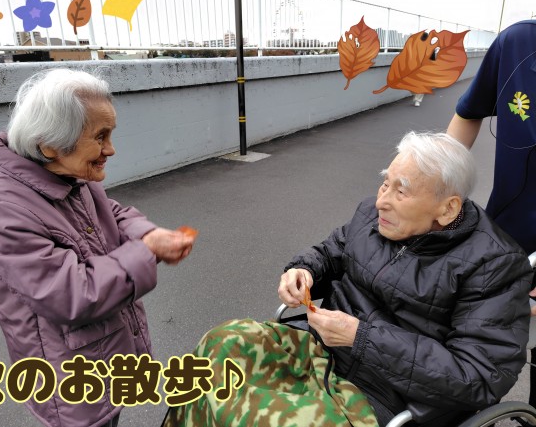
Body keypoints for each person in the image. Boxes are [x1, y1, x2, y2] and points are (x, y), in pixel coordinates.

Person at [163, 131, 532, 427]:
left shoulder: (494, 266)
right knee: (221, 346)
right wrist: (303, 271)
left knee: (256, 416)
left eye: (400, 191)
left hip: (384, 396)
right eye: (385, 183)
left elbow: (479, 376)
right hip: (320, 349)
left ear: (448, 208)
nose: (381, 201)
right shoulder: (373, 216)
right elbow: (331, 252)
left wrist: (362, 338)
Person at [0, 68, 195, 427]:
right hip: (68, 374)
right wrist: (146, 250)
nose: (110, 149)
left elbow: (109, 213)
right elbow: (70, 294)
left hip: (101, 352)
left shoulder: (63, 172)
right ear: (49, 145)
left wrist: (148, 234)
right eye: (100, 137)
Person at [446, 19, 536, 407]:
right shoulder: (518, 42)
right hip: (505, 238)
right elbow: (469, 112)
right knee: (479, 342)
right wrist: (436, 184)